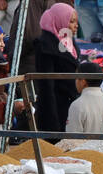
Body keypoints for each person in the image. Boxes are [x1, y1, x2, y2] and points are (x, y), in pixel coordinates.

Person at [33, 3, 80, 137]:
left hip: (70, 103)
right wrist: (51, 119)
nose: (76, 26)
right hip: (54, 107)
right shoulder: (45, 46)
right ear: (59, 21)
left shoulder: (67, 40)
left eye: (76, 22)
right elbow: (46, 85)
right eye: (71, 22)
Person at [64, 60, 103, 133]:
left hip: (85, 144)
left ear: (83, 82)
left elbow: (72, 140)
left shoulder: (77, 105)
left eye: (76, 77)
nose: (75, 81)